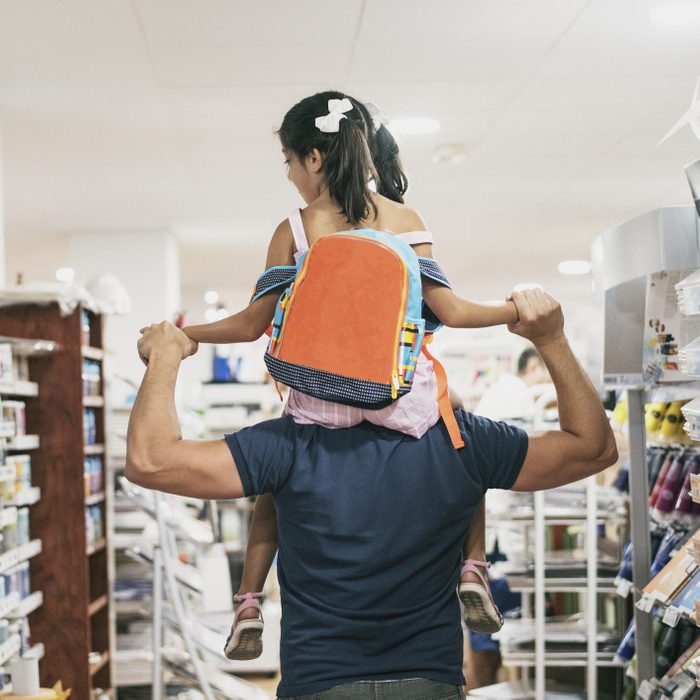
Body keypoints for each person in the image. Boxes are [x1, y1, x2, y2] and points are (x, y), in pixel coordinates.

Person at [126, 288, 618, 699]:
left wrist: (168, 353)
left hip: (319, 681)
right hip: (429, 681)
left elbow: (151, 460)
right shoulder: (460, 438)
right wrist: (550, 339)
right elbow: (592, 449)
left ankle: (246, 603)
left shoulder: (288, 443)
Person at [178, 91, 519, 656]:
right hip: (399, 396)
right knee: (464, 436)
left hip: (320, 401)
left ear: (313, 158)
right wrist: (519, 311)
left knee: (276, 481)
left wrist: (187, 335)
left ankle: (248, 600)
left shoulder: (298, 228)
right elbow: (453, 313)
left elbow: (251, 323)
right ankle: (474, 566)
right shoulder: (406, 220)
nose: (288, 174)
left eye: (288, 161)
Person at [475, 346, 550, 422]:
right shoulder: (518, 391)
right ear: (533, 365)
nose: (549, 378)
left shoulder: (505, 386)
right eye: (548, 370)